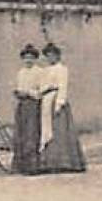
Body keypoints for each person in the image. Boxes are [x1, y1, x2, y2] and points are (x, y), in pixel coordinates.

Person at [37, 42, 86, 173]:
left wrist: (59, 103)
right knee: (47, 130)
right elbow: (41, 86)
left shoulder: (62, 69)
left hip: (56, 100)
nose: (50, 58)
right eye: (47, 56)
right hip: (46, 100)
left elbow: (62, 86)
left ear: (58, 56)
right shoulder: (45, 70)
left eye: (52, 55)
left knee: (59, 131)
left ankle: (64, 162)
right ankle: (48, 162)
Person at [12, 44, 45, 175]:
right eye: (26, 58)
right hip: (22, 105)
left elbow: (41, 90)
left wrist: (29, 93)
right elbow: (18, 87)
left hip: (33, 105)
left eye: (31, 57)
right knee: (20, 134)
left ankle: (33, 166)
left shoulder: (39, 72)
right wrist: (18, 92)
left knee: (32, 134)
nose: (28, 60)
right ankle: (21, 166)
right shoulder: (21, 72)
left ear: (35, 58)